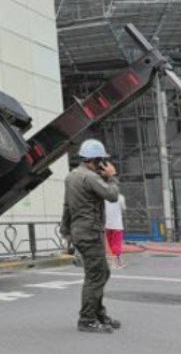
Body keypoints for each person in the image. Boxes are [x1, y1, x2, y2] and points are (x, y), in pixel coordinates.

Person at [60, 138, 121, 334]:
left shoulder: (72, 176)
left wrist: (66, 229)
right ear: (94, 160)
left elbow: (67, 206)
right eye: (101, 160)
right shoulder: (90, 178)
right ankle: (87, 319)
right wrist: (112, 176)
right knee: (95, 276)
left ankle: (98, 313)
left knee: (102, 273)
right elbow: (112, 195)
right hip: (90, 232)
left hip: (80, 231)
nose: (103, 164)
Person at [105, 193, 127, 269]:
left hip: (106, 224)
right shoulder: (120, 197)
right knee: (116, 244)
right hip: (117, 224)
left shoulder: (104, 197)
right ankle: (117, 263)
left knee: (109, 243)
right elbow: (123, 209)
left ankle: (110, 262)